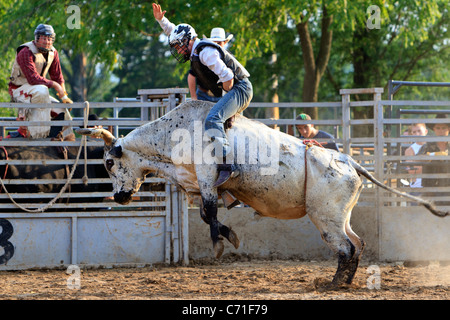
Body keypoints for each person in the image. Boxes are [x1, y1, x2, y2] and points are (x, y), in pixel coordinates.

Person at [153, 3, 253, 187]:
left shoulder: (206, 53)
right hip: (232, 89)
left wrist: (226, 102)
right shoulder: (195, 48)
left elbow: (228, 77)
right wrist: (161, 20)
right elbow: (172, 31)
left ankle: (228, 166)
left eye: (179, 46)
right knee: (207, 120)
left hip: (240, 88)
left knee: (213, 119)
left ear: (188, 41)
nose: (178, 50)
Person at [8, 24, 73, 139]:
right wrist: (57, 87)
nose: (47, 41)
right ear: (37, 38)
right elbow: (33, 79)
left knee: (64, 114)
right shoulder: (25, 51)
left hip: (38, 91)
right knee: (42, 90)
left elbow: (57, 76)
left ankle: (67, 145)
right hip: (19, 89)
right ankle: (38, 138)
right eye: (43, 38)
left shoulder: (53, 52)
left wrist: (64, 97)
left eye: (49, 38)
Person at [188, 28, 233, 102]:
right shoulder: (202, 54)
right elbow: (192, 75)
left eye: (219, 43)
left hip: (221, 96)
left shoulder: (228, 58)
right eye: (214, 43)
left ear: (224, 43)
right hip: (203, 95)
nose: (216, 45)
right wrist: (193, 97)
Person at [418, 114, 449, 206]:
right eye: (438, 128)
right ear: (434, 130)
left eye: (444, 128)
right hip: (430, 189)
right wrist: (427, 158)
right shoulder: (427, 146)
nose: (441, 131)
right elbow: (419, 159)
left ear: (448, 129)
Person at [404, 123, 428, 189]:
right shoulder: (410, 150)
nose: (417, 134)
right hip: (418, 186)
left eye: (419, 131)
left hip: (434, 185)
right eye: (414, 132)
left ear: (426, 131)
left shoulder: (433, 146)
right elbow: (411, 171)